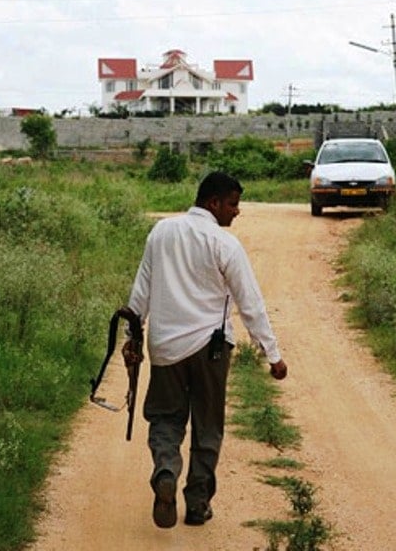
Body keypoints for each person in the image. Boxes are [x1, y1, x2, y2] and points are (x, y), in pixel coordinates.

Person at [121, 171, 287, 529]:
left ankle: (166, 473)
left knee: (165, 418)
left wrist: (131, 337)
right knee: (207, 425)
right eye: (232, 203)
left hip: (165, 348)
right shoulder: (225, 244)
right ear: (213, 203)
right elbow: (250, 303)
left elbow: (141, 291)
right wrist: (271, 354)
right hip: (211, 350)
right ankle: (197, 503)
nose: (237, 211)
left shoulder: (161, 232)